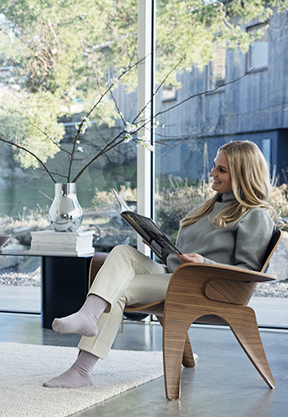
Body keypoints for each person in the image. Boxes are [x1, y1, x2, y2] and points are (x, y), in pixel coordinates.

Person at [45, 140, 278, 389]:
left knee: (118, 290)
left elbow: (248, 274)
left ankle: (82, 370)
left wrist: (203, 262)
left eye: (221, 169)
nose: (212, 173)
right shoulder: (210, 207)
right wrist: (157, 244)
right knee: (123, 252)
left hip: (206, 286)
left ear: (244, 174)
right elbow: (180, 256)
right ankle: (87, 315)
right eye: (214, 166)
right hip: (176, 275)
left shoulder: (255, 216)